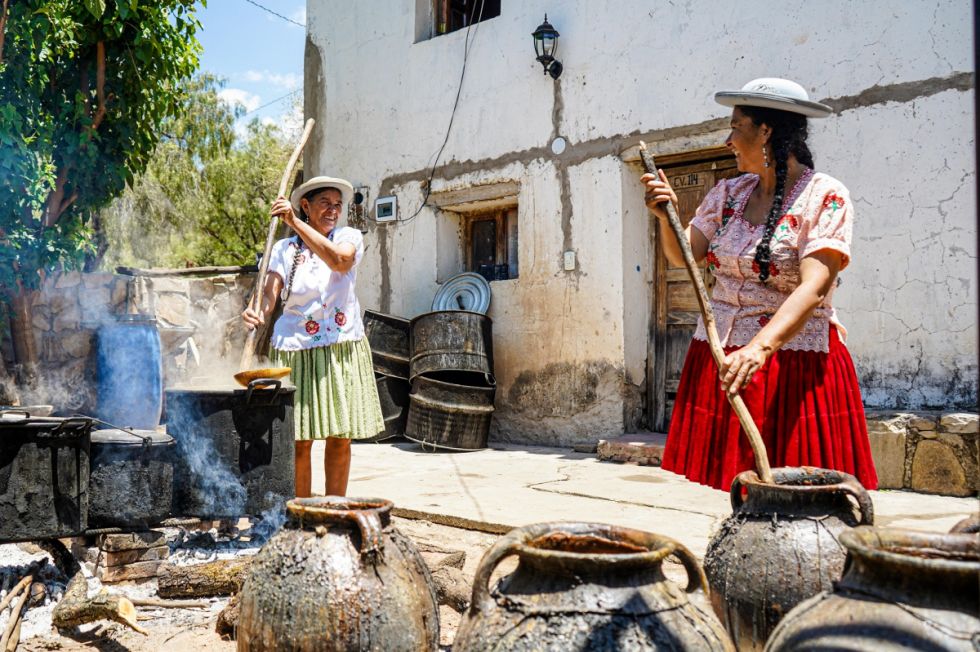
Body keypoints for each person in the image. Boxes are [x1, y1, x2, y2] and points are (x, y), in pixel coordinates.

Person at [642, 78, 878, 491]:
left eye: (736, 127)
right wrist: (667, 218)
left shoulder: (824, 196)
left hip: (790, 363)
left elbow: (814, 287)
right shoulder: (729, 193)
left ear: (765, 130)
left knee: (796, 486)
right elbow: (684, 256)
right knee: (739, 482)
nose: (728, 140)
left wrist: (759, 349)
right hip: (723, 355)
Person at [242, 176, 384, 497]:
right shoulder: (284, 249)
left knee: (340, 436)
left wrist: (293, 221)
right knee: (299, 439)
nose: (333, 210)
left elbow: (339, 261)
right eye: (325, 203)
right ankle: (302, 513)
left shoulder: (347, 237)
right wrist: (256, 311)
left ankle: (334, 509)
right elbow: (270, 296)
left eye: (337, 205)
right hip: (296, 349)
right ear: (306, 205)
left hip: (340, 347)